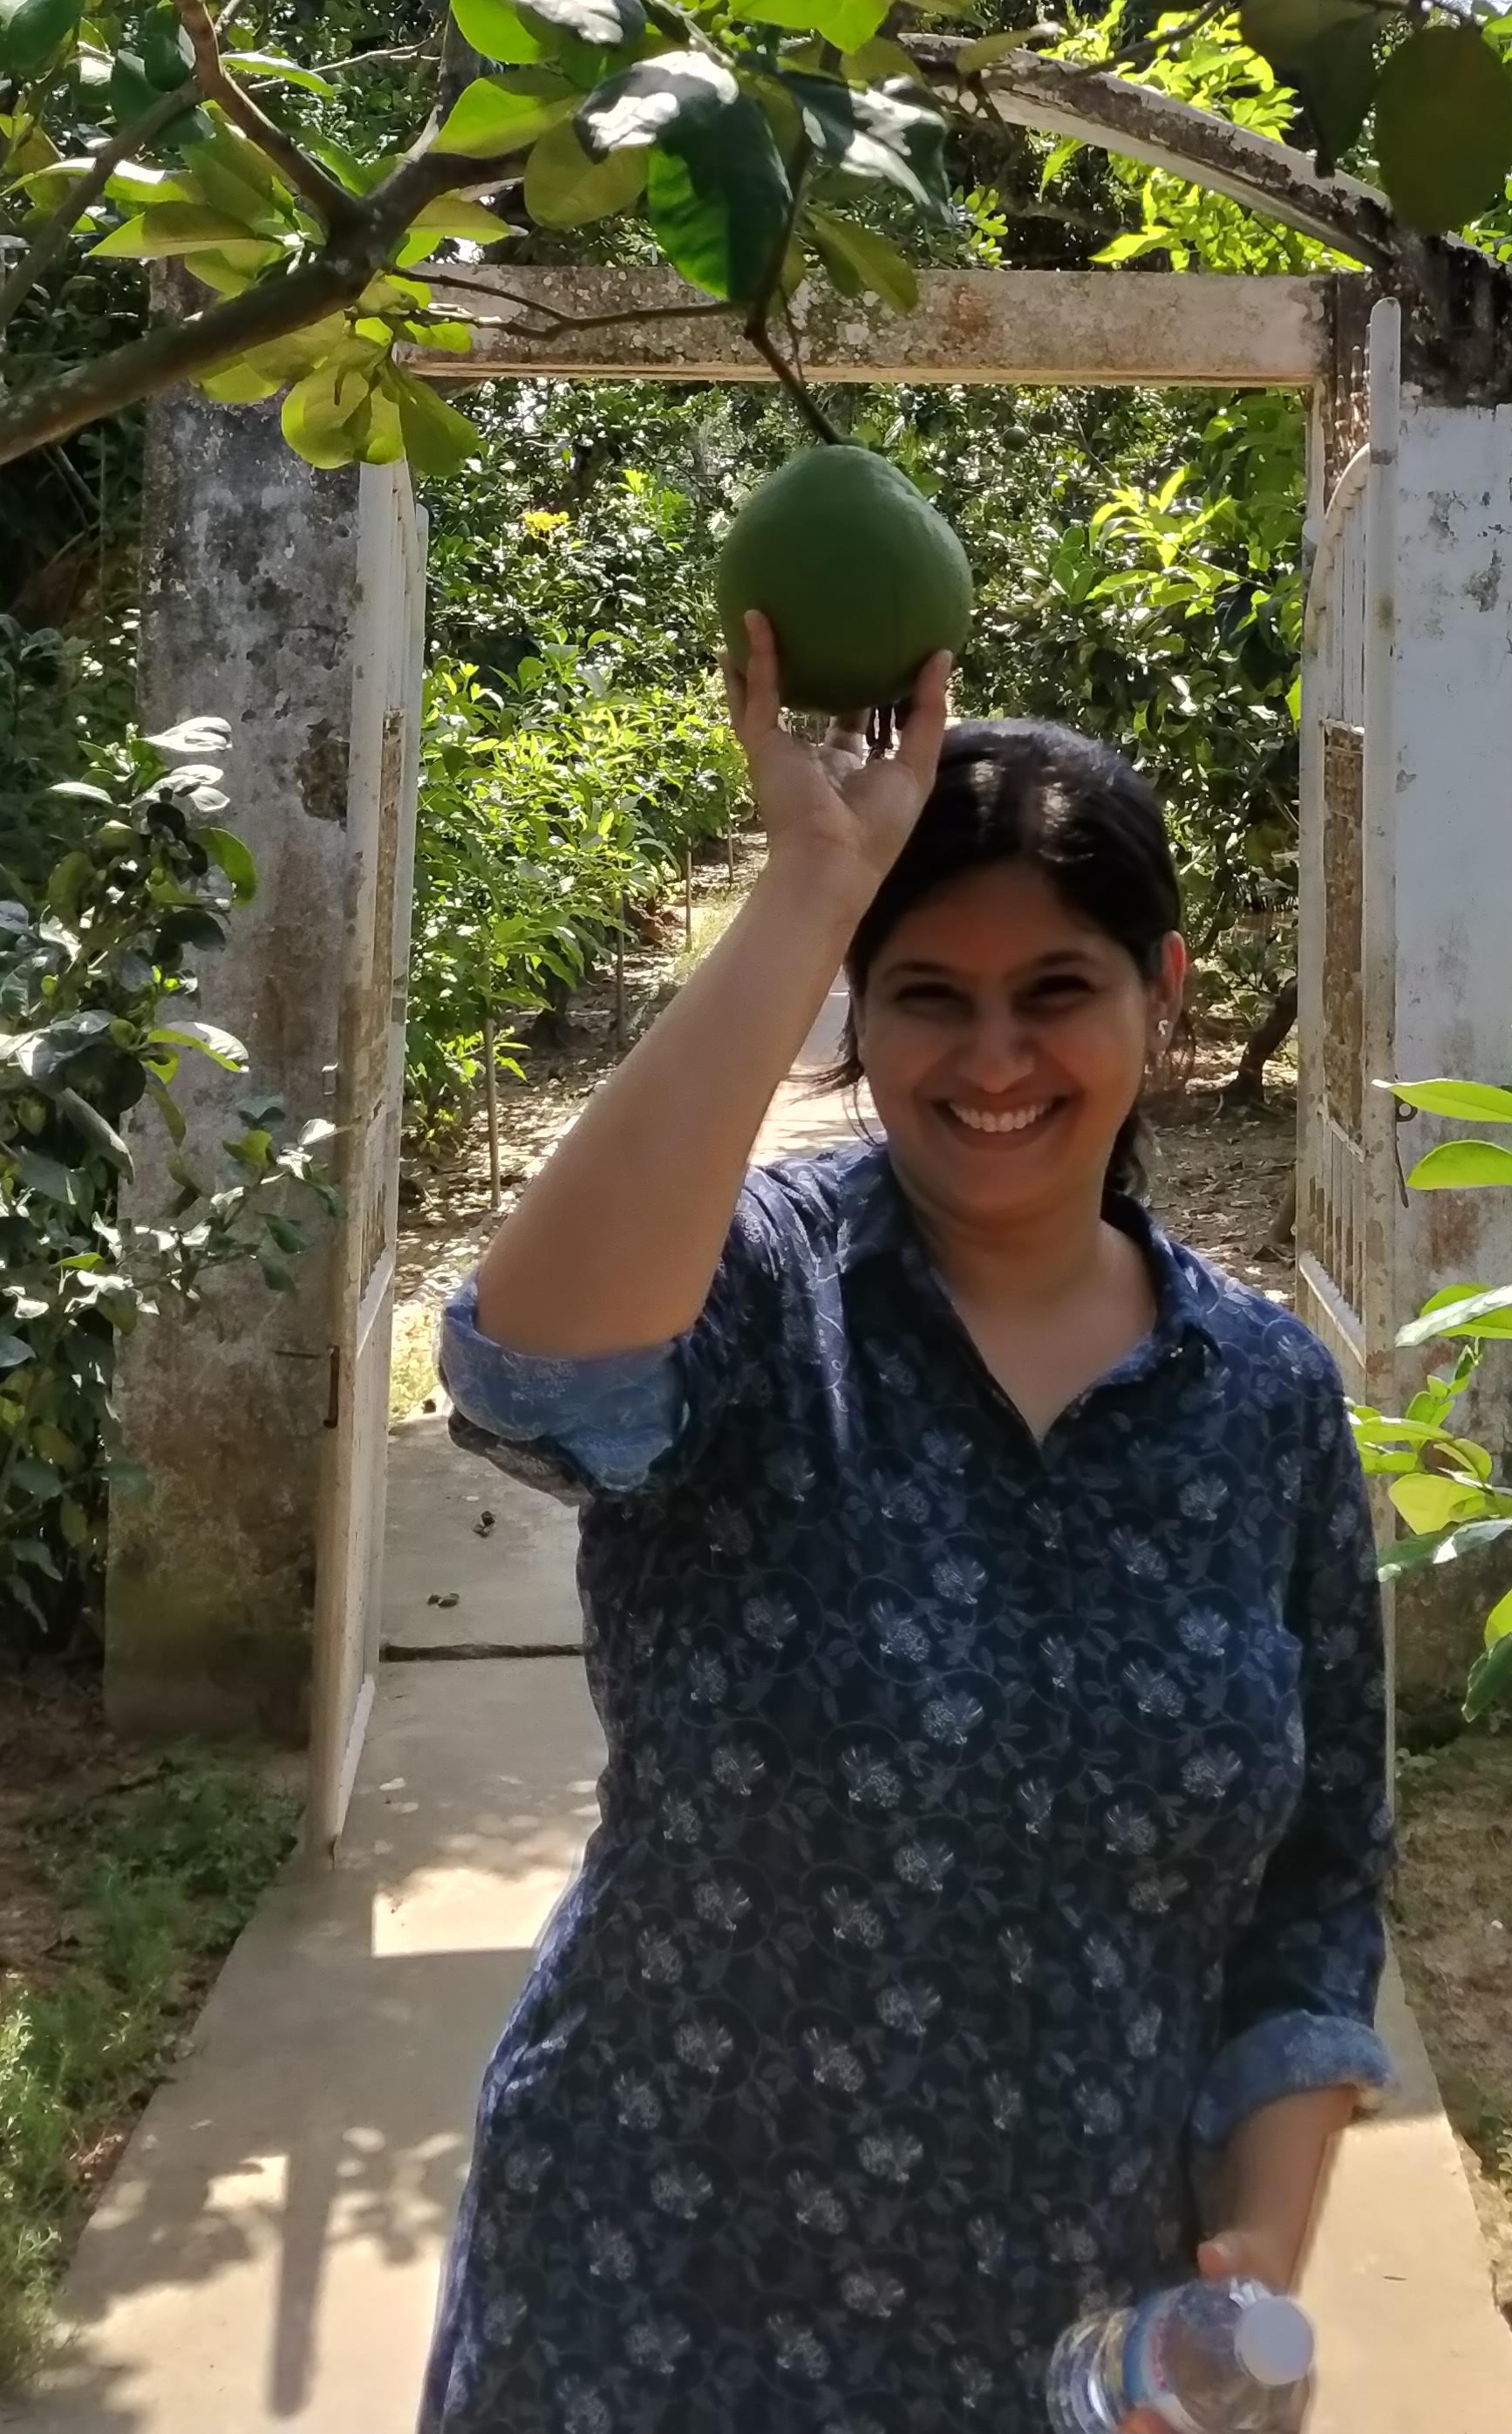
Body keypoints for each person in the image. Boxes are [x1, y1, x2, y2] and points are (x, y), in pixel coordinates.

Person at [419, 624, 1393, 2434]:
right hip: (649, 2313)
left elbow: (1315, 1889)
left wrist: (1259, 2248)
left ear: (1163, 997)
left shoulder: (1264, 1405)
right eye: (927, 991)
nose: (995, 1056)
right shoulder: (762, 1297)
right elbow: (529, 1374)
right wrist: (807, 888)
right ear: (856, 1018)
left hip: (1062, 2346)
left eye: (1058, 990)